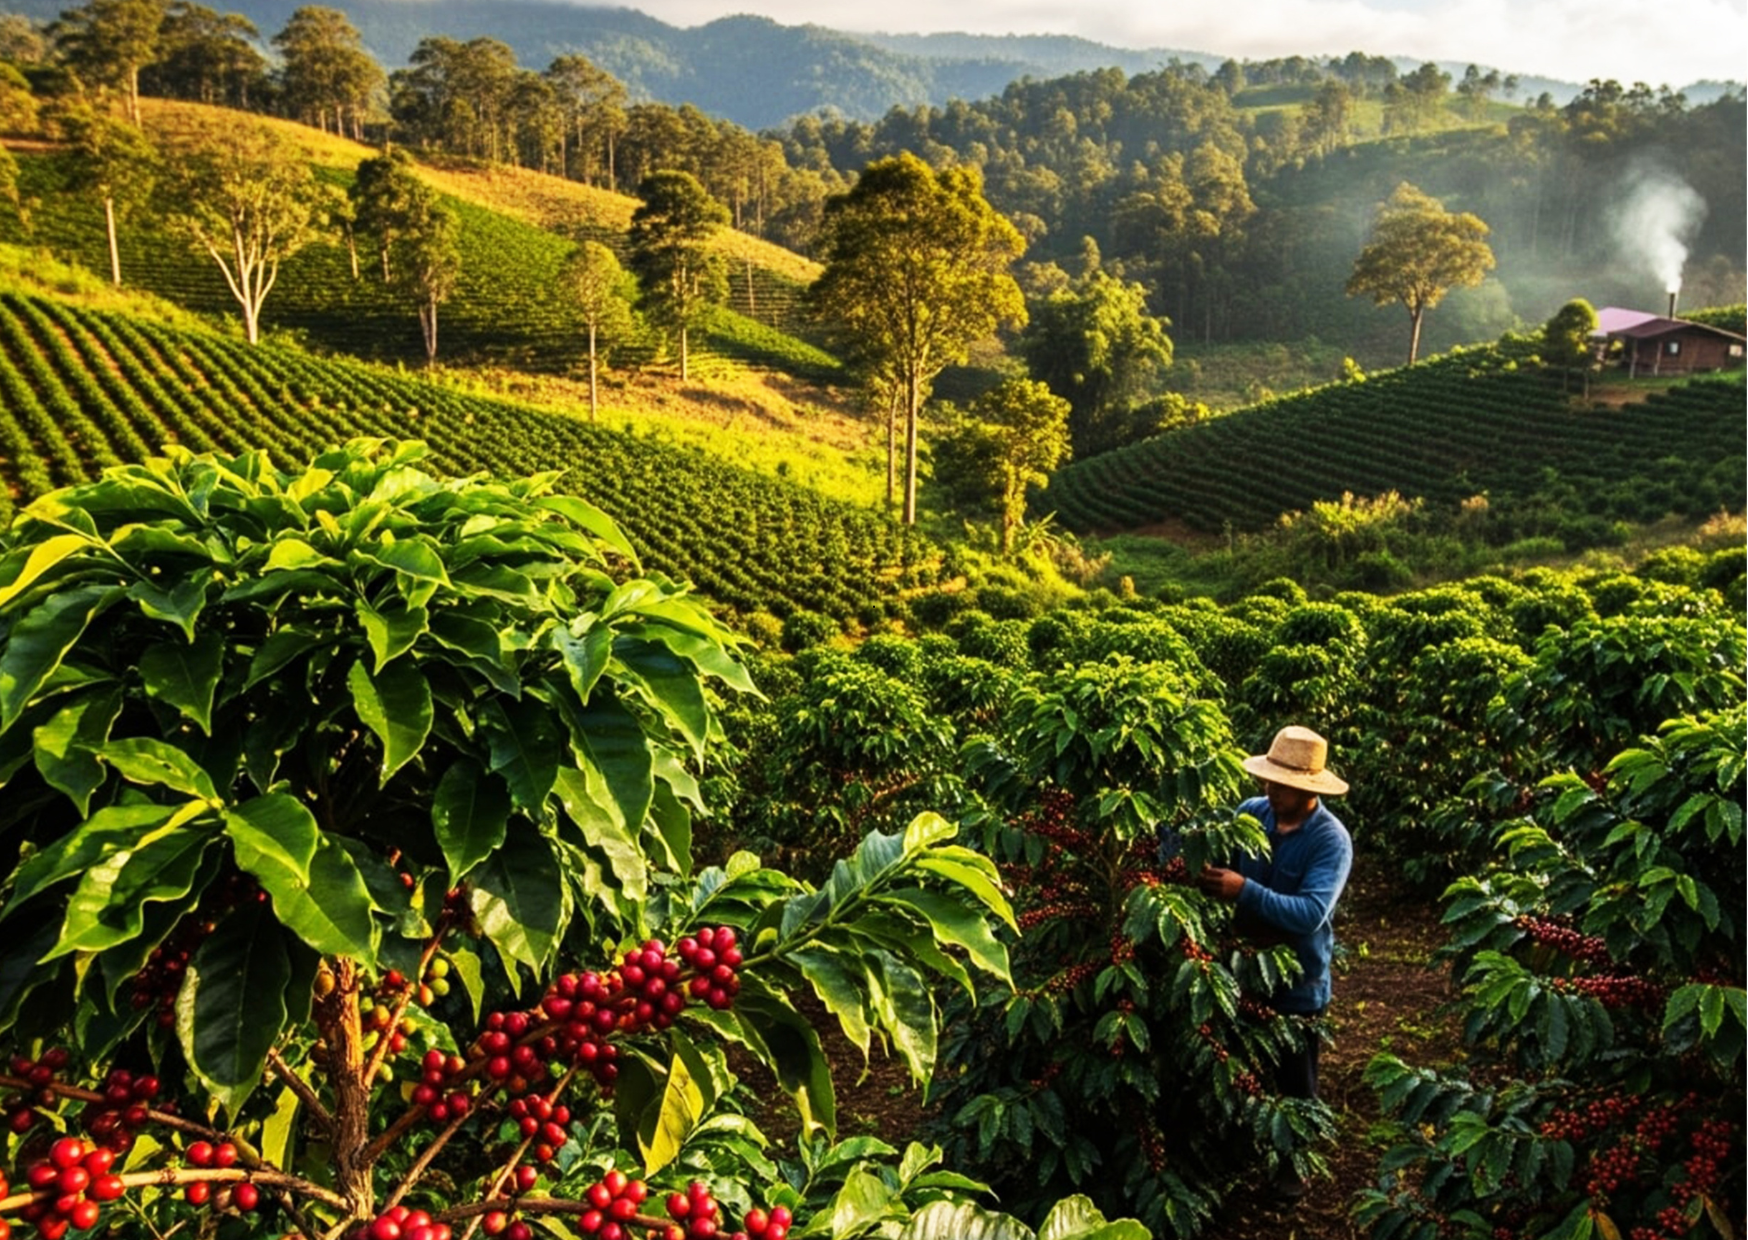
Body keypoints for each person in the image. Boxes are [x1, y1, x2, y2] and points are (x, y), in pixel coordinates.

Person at [1197, 724, 1353, 1200]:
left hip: (1297, 981)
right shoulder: (1250, 814)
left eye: (1283, 784)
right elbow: (1214, 856)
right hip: (1239, 971)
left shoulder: (1331, 840)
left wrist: (1245, 890)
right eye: (1269, 779)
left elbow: (1309, 913)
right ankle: (1240, 1151)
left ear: (1308, 788)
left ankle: (1292, 1170)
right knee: (1238, 1069)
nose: (1271, 789)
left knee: (1295, 1080)